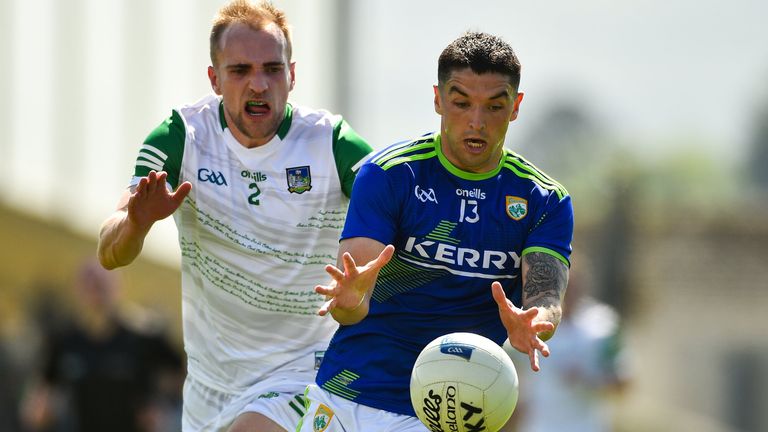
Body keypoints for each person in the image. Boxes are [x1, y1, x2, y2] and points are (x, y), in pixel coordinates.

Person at [96, 0, 373, 430]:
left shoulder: (333, 143)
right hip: (209, 387)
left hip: (305, 372)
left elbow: (397, 212)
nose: (259, 85)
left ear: (292, 75)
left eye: (272, 69)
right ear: (215, 79)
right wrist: (137, 222)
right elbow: (110, 251)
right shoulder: (181, 138)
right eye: (240, 71)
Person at [297, 31, 574, 432]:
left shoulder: (545, 199)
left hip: (446, 413)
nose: (476, 122)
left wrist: (536, 322)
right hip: (349, 394)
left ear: (515, 107)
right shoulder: (390, 174)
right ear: (438, 99)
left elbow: (544, 295)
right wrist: (349, 300)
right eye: (461, 103)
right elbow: (352, 302)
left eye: (494, 106)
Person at [19, 259, 184, 432]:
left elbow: (183, 371)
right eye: (89, 285)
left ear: (117, 288)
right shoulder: (64, 341)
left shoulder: (143, 336)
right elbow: (41, 394)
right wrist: (39, 411)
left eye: (101, 285)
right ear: (78, 289)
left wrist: (167, 410)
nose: (95, 293)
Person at [513, 253, 630, 432]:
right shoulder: (531, 324)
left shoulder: (603, 326)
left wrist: (588, 380)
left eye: (571, 284)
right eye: (560, 284)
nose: (566, 292)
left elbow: (623, 384)